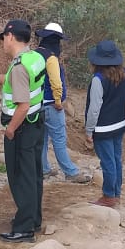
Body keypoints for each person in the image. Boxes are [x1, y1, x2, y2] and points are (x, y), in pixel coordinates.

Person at [0, 19, 47, 244]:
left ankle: (23, 228)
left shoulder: (19, 66)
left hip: (22, 127)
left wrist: (10, 129)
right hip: (37, 123)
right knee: (34, 174)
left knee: (21, 177)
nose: (2, 43)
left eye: (3, 39)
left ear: (10, 37)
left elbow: (23, 105)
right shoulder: (34, 58)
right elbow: (14, 81)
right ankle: (34, 219)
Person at [34, 23, 92, 184]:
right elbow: (56, 82)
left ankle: (43, 169)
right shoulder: (50, 58)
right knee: (59, 139)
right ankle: (70, 172)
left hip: (35, 105)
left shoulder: (33, 55)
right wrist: (58, 101)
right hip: (51, 105)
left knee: (42, 139)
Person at [83, 40, 125, 208]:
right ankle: (116, 193)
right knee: (116, 159)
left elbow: (94, 109)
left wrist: (88, 131)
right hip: (119, 124)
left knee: (107, 162)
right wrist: (119, 104)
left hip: (102, 128)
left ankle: (108, 196)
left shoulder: (98, 80)